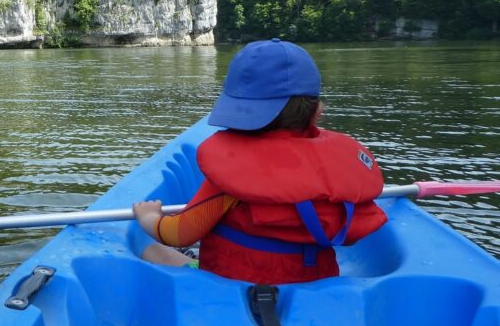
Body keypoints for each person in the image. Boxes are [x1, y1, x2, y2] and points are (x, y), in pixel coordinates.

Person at [133, 39, 388, 284]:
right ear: (317, 113)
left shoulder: (234, 174)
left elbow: (179, 233)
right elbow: (351, 236)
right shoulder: (337, 174)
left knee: (154, 251)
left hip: (230, 284)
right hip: (316, 285)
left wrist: (150, 217)